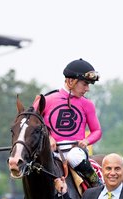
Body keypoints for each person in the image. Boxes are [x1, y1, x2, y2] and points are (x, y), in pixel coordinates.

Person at [33, 58, 102, 187]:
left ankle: (97, 184)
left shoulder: (87, 104)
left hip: (75, 150)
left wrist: (86, 141)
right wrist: (49, 137)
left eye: (89, 85)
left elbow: (97, 131)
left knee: (74, 156)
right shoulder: (46, 100)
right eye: (85, 84)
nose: (87, 89)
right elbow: (31, 125)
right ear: (71, 81)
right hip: (50, 150)